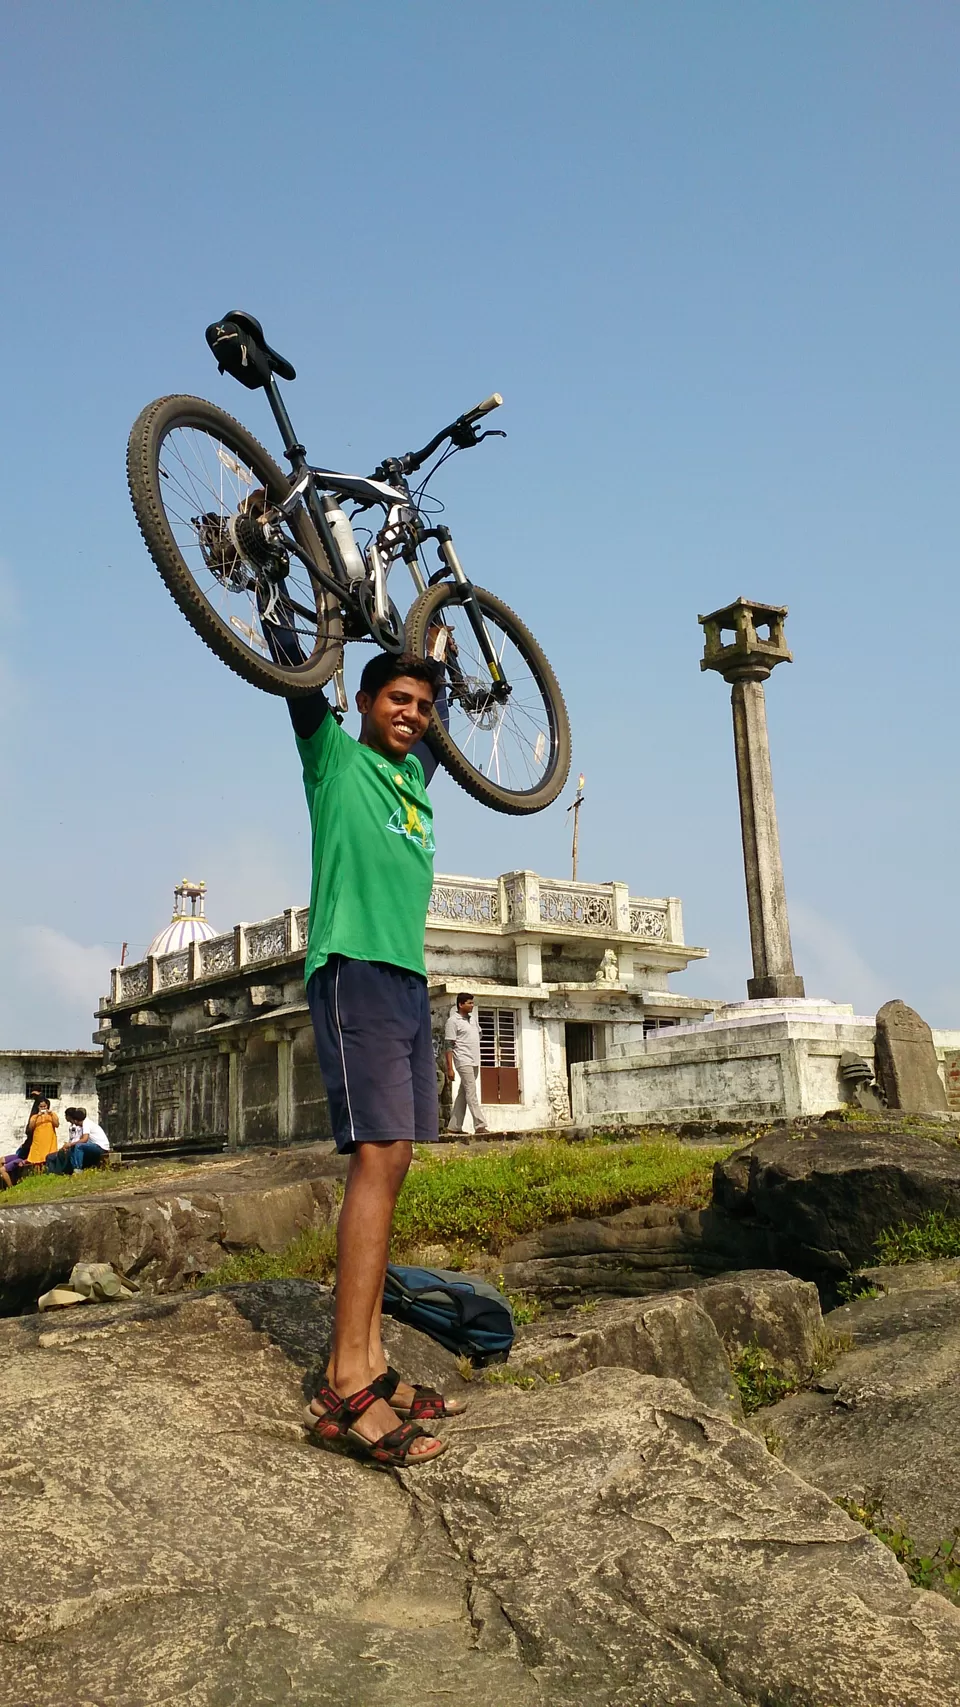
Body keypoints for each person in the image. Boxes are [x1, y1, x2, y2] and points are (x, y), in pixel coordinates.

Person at [272, 629, 466, 1469]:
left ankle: (375, 1362)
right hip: (352, 968)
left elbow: (439, 710)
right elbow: (299, 683)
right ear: (362, 703)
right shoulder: (335, 762)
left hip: (406, 979)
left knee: (398, 1161)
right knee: (376, 1155)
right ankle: (346, 1384)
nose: (413, 715)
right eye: (398, 700)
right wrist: (309, 615)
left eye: (422, 707)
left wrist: (438, 659)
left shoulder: (416, 781)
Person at [444, 993, 488, 1136]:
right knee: (471, 1092)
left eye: (472, 1003)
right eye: (469, 1003)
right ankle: (480, 1125)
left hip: (475, 1060)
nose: (472, 1005)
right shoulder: (453, 1021)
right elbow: (449, 1045)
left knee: (463, 1093)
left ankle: (454, 1127)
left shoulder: (473, 1020)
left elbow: (477, 1035)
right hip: (463, 1060)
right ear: (461, 1004)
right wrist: (450, 1068)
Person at [23, 1097, 59, 1168]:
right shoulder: (34, 1117)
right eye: (41, 1106)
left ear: (47, 1106)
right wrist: (37, 1116)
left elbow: (56, 1124)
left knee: (49, 1156)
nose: (43, 1108)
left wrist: (51, 1114)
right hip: (38, 1141)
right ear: (38, 1107)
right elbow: (30, 1127)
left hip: (49, 1139)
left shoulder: (52, 1115)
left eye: (44, 1106)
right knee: (37, 1159)